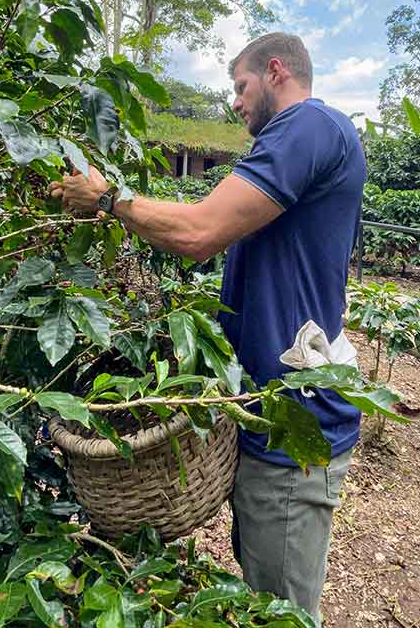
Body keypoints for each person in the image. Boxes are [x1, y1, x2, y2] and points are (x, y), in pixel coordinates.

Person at [49, 32, 366, 626]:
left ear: (276, 72)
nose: (236, 104)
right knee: (259, 590)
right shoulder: (293, 144)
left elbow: (197, 233)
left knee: (282, 613)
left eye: (240, 87)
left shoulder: (308, 127)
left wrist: (108, 198)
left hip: (293, 426)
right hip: (265, 414)